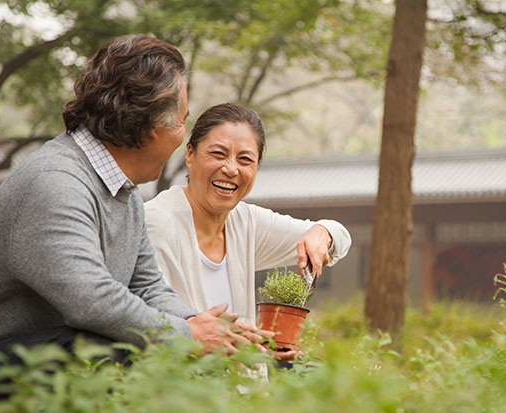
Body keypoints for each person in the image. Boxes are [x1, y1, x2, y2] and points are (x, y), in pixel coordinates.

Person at [0, 35, 266, 360]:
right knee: (114, 345)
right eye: (182, 122)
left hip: (25, 361)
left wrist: (197, 323)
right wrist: (185, 335)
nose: (182, 136)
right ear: (152, 127)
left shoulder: (124, 192)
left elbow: (147, 286)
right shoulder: (57, 182)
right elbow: (90, 301)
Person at [144, 103, 352, 333]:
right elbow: (149, 327)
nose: (231, 169)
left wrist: (322, 233)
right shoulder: (157, 224)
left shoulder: (246, 222)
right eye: (218, 154)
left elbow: (339, 236)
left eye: (245, 159)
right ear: (190, 155)